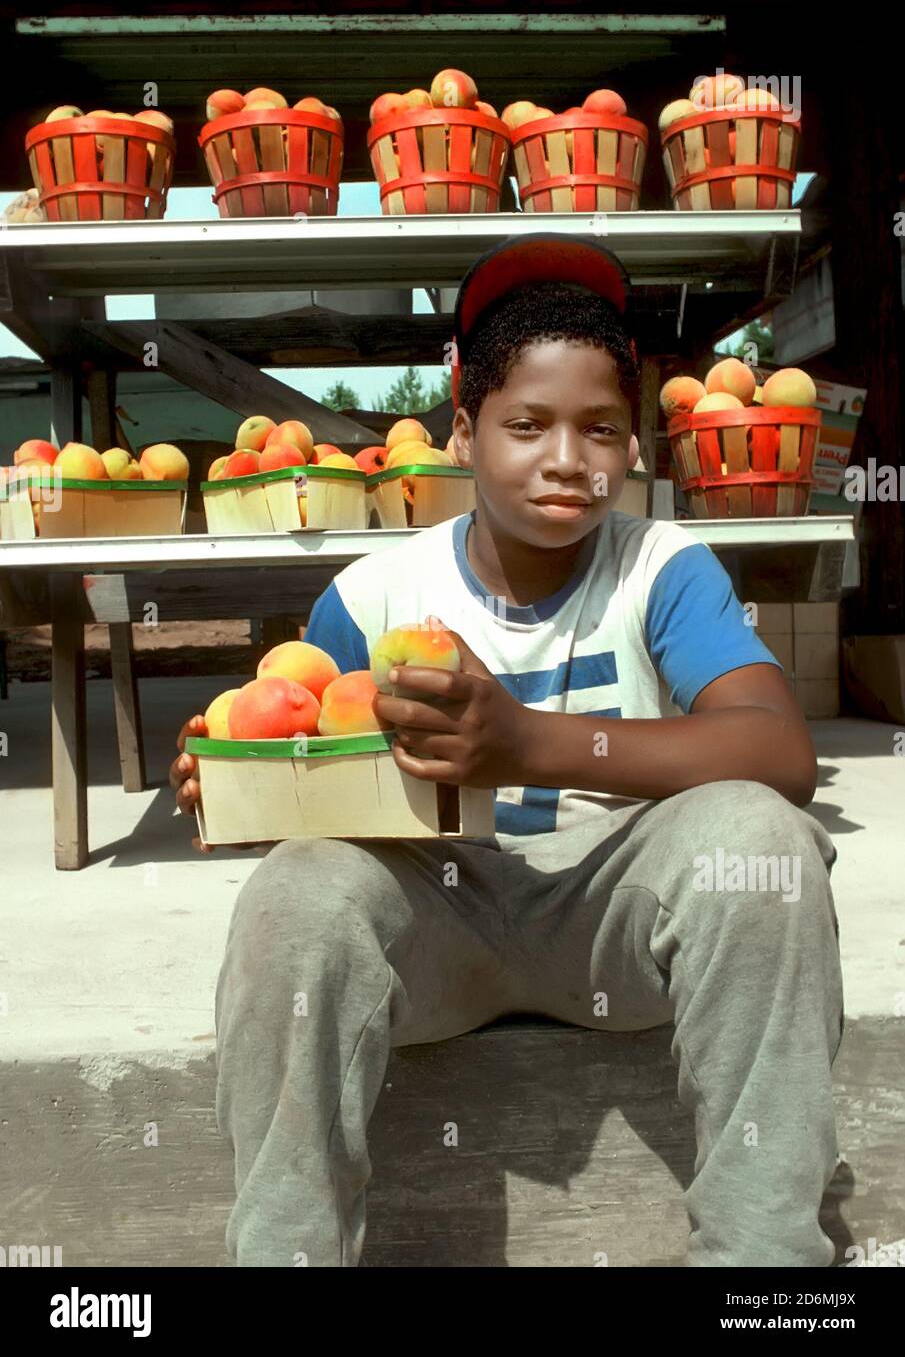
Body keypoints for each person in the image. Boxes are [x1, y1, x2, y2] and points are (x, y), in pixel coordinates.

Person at [170, 234, 844, 1268]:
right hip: (436, 928)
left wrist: (528, 742)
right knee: (296, 891)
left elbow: (776, 747)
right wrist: (237, 773)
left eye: (601, 429)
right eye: (525, 425)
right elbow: (305, 749)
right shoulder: (373, 595)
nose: (567, 459)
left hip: (616, 922)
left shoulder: (660, 567)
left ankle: (762, 1271)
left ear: (632, 447)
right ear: (463, 430)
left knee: (759, 839)